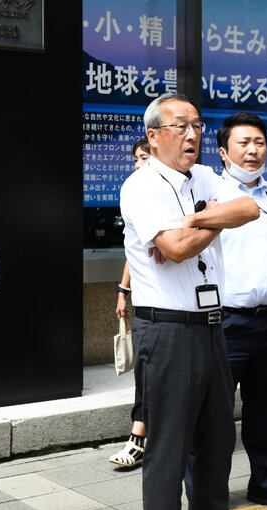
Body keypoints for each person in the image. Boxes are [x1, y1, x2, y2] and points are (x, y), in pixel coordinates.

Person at [120, 92, 258, 510]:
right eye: (181, 126)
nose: (193, 135)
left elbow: (248, 209)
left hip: (213, 327)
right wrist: (215, 222)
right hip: (166, 330)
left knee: (217, 444)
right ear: (154, 135)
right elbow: (174, 250)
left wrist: (194, 218)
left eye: (197, 125)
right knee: (168, 449)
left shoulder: (203, 177)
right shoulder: (140, 186)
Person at [213, 112, 267, 510]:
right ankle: (208, 496)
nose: (252, 150)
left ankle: (265, 483)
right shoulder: (211, 195)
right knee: (212, 416)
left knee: (264, 414)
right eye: (244, 143)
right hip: (227, 323)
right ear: (224, 151)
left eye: (260, 143)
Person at [109, 136, 152, 468]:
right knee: (145, 372)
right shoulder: (136, 193)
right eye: (136, 158)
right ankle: (140, 436)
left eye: (144, 157)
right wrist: (124, 291)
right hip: (148, 302)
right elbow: (134, 250)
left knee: (150, 374)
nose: (138, 164)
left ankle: (139, 437)